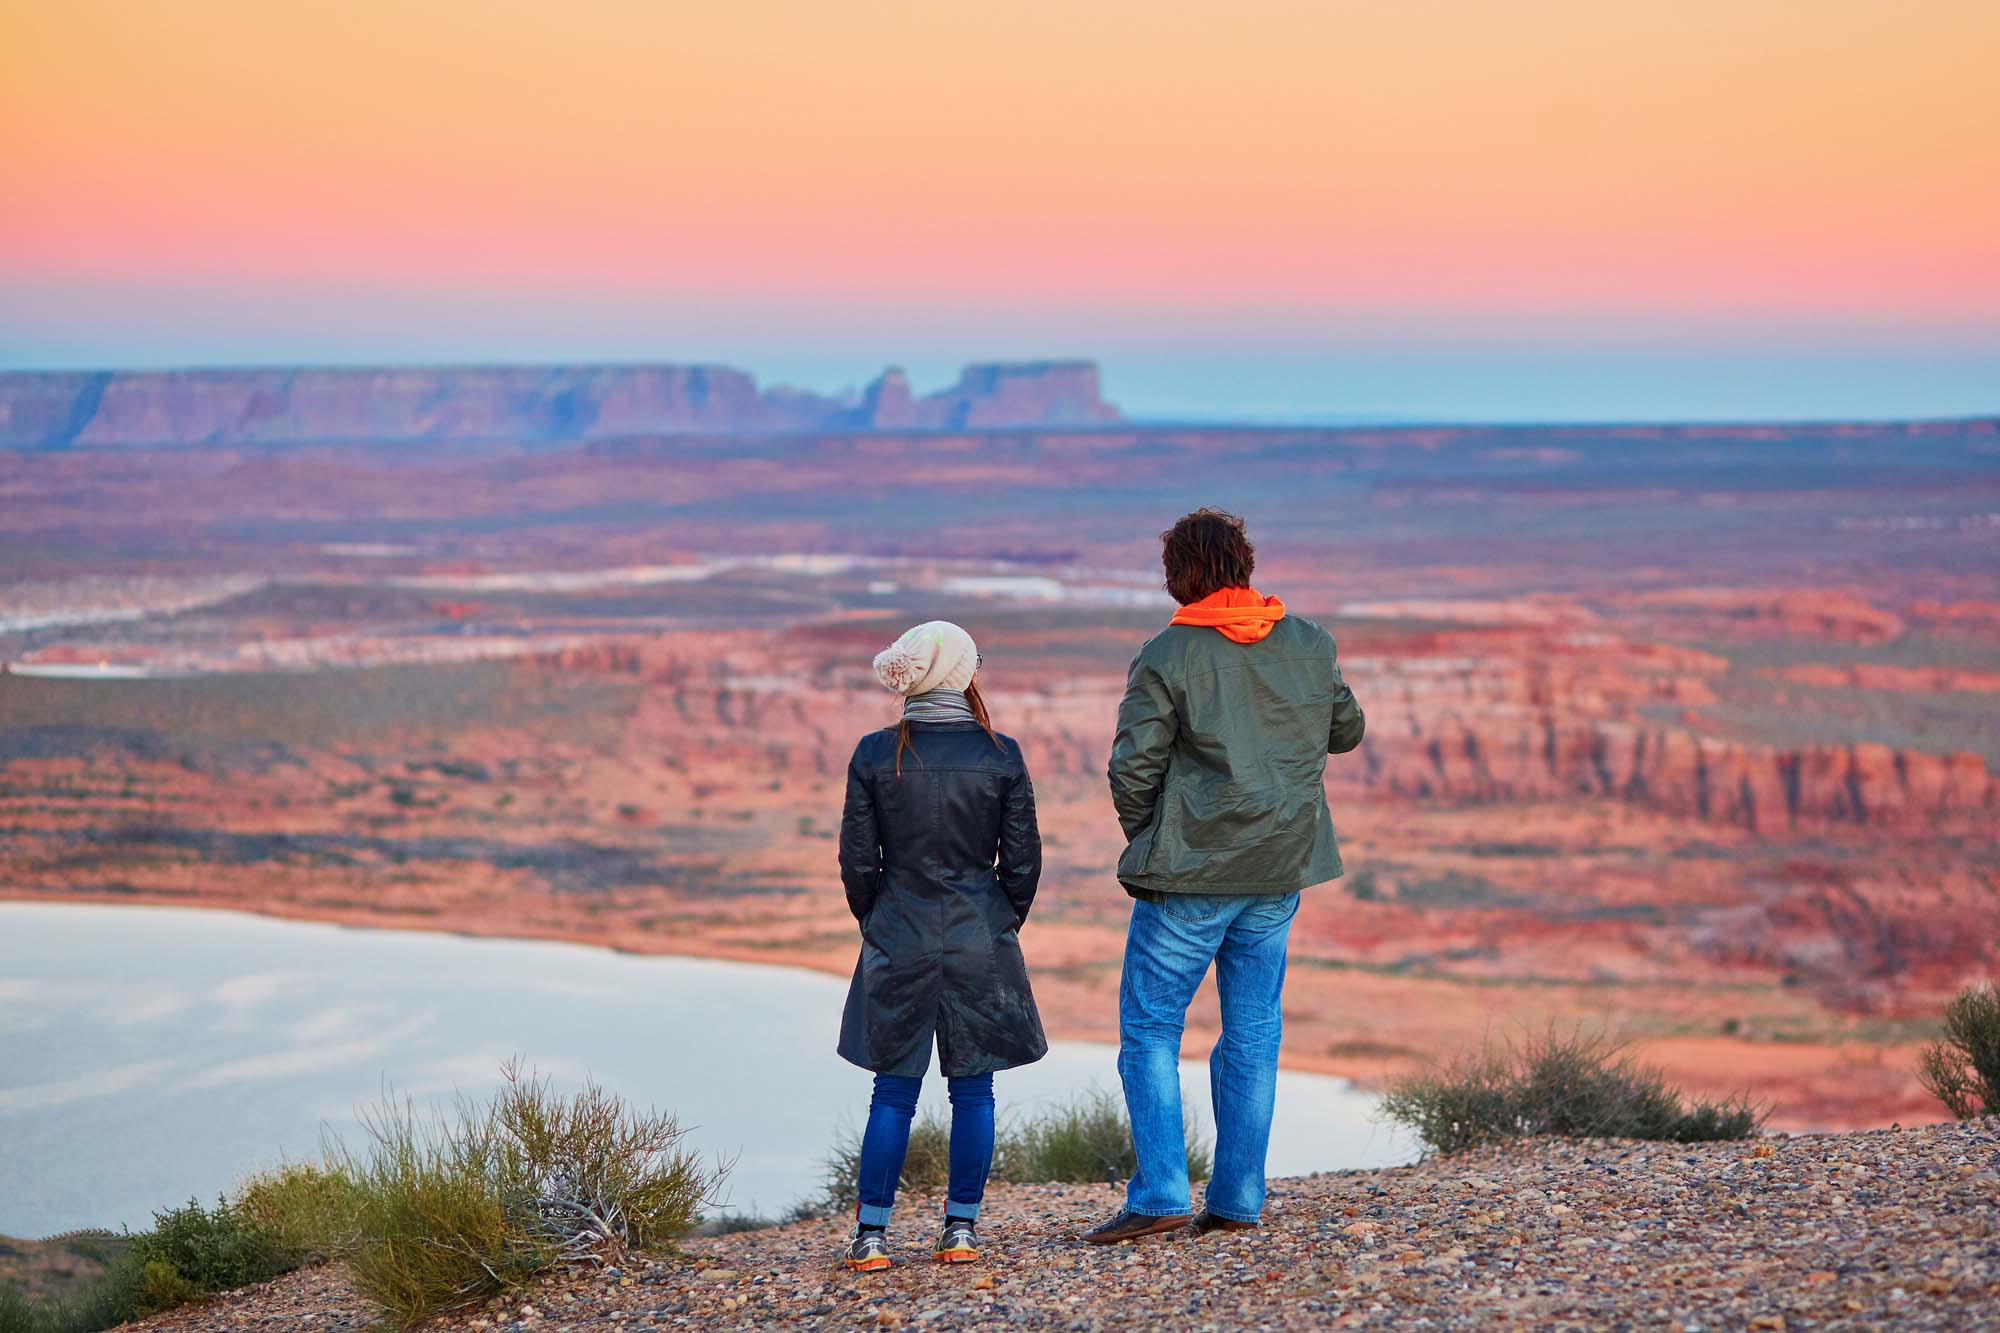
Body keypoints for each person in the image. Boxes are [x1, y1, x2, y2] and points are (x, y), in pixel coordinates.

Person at [1083, 508, 1366, 1244]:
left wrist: (1152, 838)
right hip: (1279, 866)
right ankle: (1237, 1199)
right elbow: (1347, 729)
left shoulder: (1167, 654)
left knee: (1148, 1028)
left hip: (1191, 875)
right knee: (1253, 1031)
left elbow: (1131, 767)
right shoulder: (1308, 641)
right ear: (1243, 562)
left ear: (1183, 573)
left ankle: (1161, 1194)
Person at [836, 619, 1047, 1272]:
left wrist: (880, 919)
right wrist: (997, 919)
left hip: (897, 934)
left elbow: (855, 862)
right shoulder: (1000, 753)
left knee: (893, 1091)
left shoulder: (875, 753)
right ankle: (960, 1231)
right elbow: (1024, 862)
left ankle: (871, 1237)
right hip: (977, 934)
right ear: (959, 672)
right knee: (974, 1090)